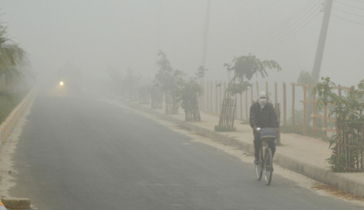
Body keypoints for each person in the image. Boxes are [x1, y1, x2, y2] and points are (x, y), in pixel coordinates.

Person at [250, 91, 279, 164]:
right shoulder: (254, 107)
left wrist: (275, 127)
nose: (263, 100)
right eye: (261, 98)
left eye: (264, 98)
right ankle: (257, 157)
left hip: (268, 129)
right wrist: (255, 126)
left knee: (272, 145)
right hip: (258, 129)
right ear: (258, 98)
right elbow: (252, 118)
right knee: (257, 140)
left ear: (267, 99)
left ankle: (269, 160)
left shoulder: (270, 107)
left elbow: (274, 118)